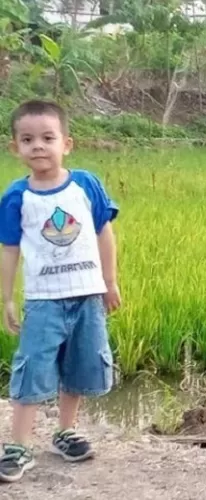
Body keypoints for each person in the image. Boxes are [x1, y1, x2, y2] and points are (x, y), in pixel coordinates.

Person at [0, 100, 121, 483]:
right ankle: (18, 445)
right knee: (31, 368)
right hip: (43, 300)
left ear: (66, 143)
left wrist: (110, 281)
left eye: (47, 138)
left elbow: (105, 233)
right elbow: (9, 249)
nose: (38, 145)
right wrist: (7, 297)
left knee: (80, 365)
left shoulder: (85, 185)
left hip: (87, 296)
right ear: (14, 147)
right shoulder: (18, 198)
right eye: (28, 139)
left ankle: (65, 432)